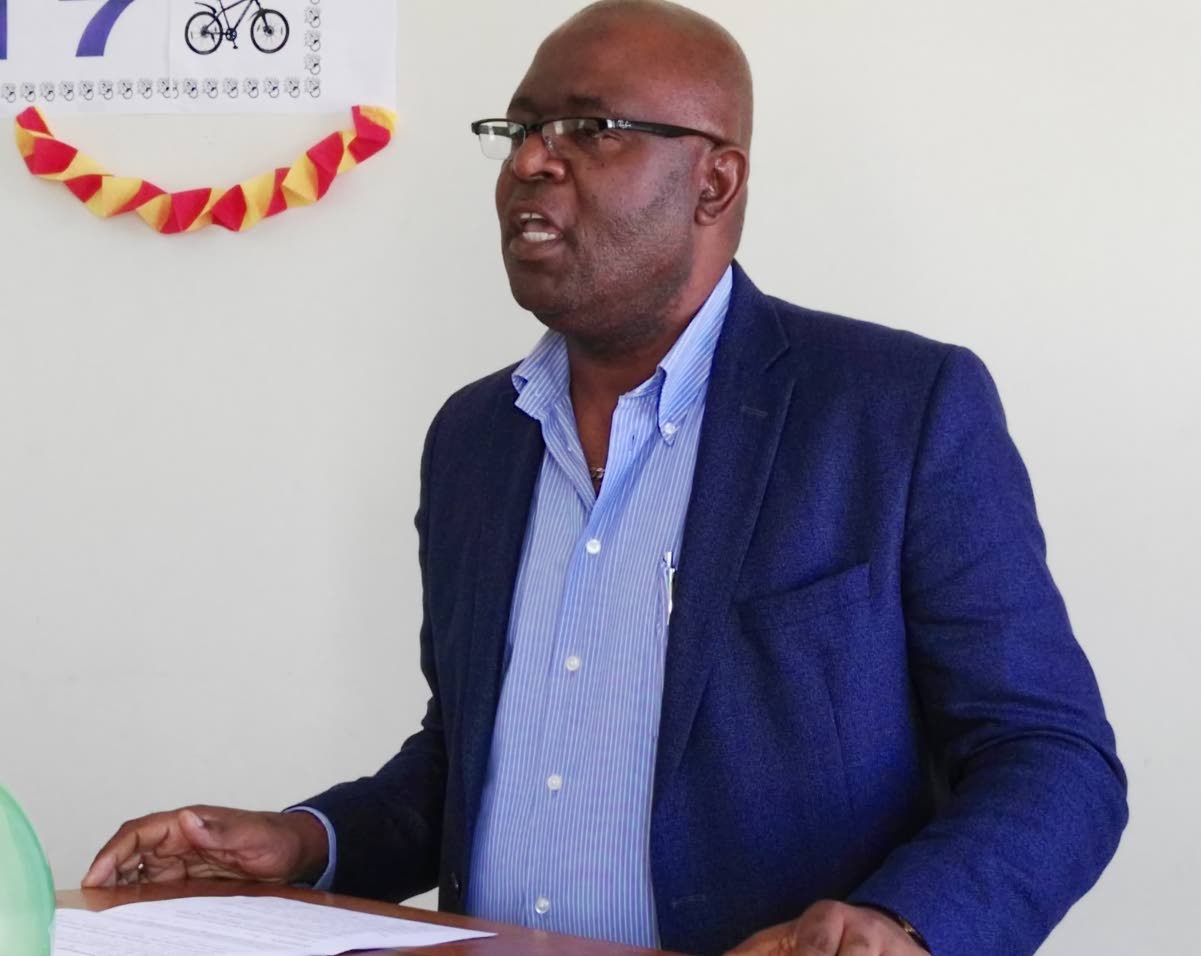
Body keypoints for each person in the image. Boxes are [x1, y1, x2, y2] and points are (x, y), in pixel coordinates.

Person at [82, 2, 1128, 954]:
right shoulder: (473, 439)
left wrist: (904, 923)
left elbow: (1050, 753)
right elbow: (465, 764)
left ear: (714, 182)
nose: (532, 161)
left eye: (590, 127)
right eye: (519, 130)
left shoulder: (896, 409)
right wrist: (305, 842)